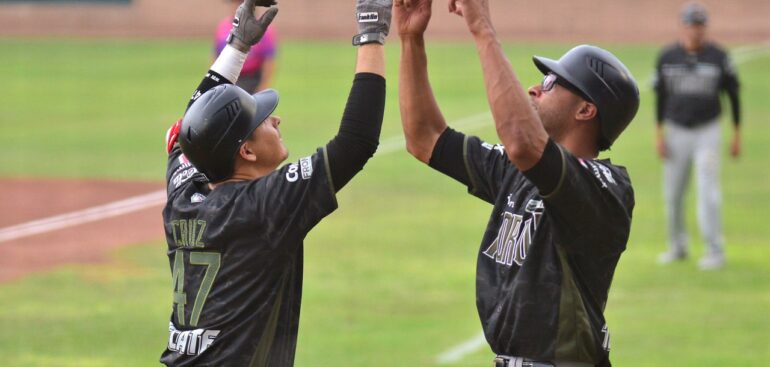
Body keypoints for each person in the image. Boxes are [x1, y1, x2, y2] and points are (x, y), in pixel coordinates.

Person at [395, 0, 639, 365]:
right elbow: (424, 137)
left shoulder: (604, 188)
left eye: (551, 83)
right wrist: (410, 39)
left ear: (585, 110)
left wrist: (483, 30)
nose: (534, 89)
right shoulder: (519, 170)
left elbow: (522, 142)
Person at [159, 0, 392, 365]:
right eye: (264, 120)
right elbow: (356, 143)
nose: (277, 119)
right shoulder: (261, 207)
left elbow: (191, 128)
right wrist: (372, 35)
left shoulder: (184, 194)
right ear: (247, 152)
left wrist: (237, 44)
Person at [654, 2, 740, 270]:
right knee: (673, 194)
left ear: (706, 28)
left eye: (700, 25)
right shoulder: (667, 58)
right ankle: (677, 246)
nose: (695, 30)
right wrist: (659, 133)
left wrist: (737, 133)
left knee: (708, 191)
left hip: (708, 131)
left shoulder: (719, 57)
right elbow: (661, 98)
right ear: (683, 26)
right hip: (676, 130)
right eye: (691, 25)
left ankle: (715, 250)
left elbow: (734, 96)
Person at [214, 0, 279, 92]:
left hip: (251, 79)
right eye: (235, 3)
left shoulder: (264, 30)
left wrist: (263, 86)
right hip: (227, 77)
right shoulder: (222, 27)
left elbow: (269, 61)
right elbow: (216, 56)